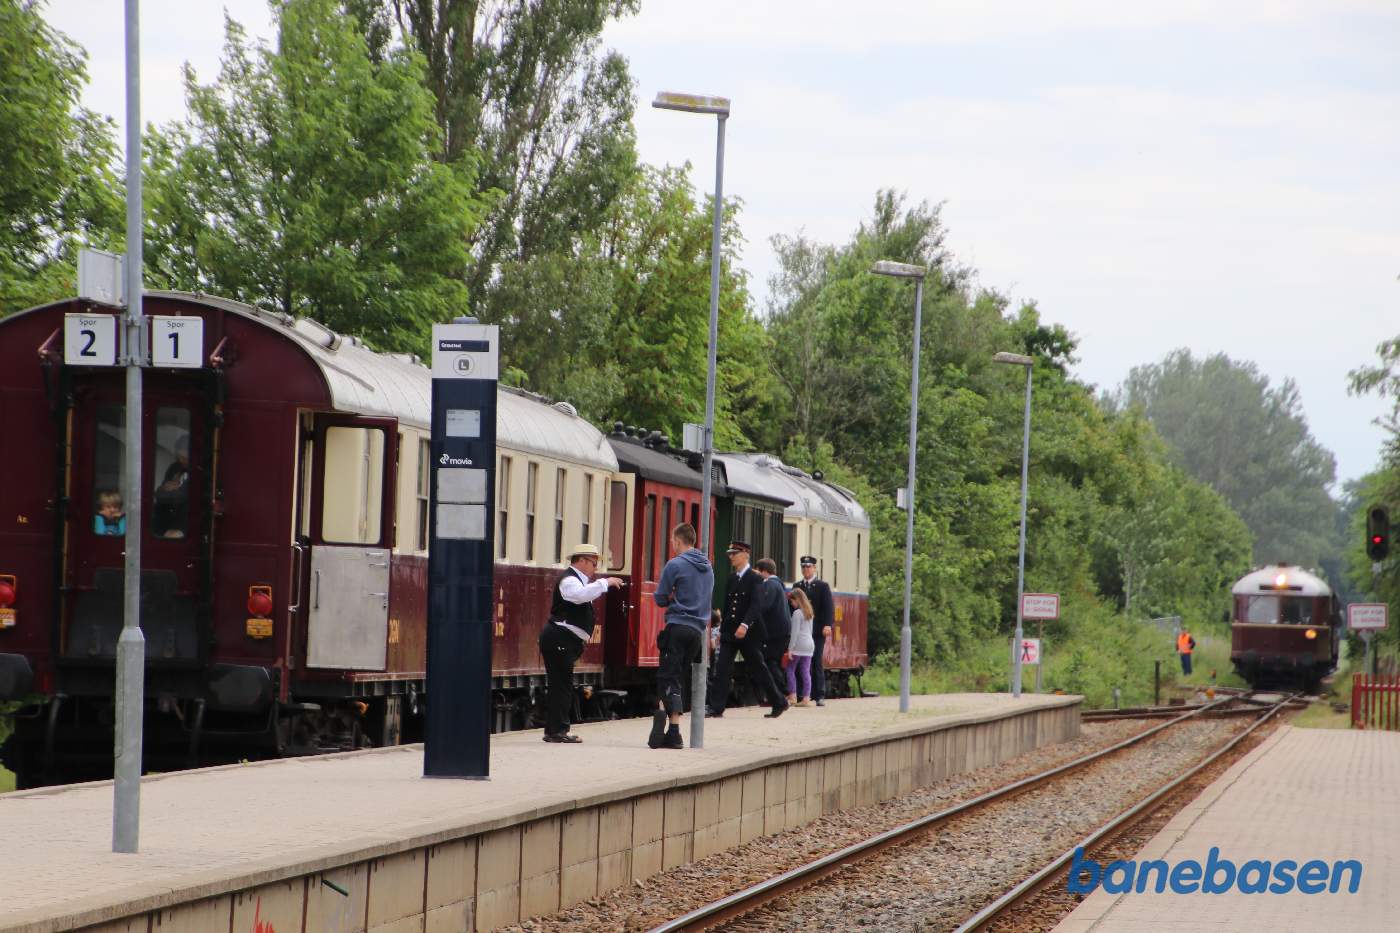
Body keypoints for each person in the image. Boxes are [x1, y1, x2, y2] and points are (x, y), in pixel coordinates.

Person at [539, 544, 623, 743]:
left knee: (561, 684)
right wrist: (605, 583)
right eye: (594, 563)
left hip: (564, 639)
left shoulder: (578, 581)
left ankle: (554, 730)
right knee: (562, 685)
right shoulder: (569, 580)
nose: (595, 568)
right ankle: (558, 731)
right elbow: (579, 596)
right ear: (582, 560)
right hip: (560, 638)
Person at [649, 522, 713, 750]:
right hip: (697, 632)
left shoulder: (675, 565)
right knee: (677, 677)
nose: (672, 545)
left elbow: (660, 597)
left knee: (668, 677)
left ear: (678, 541)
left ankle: (674, 732)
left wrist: (672, 597)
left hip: (677, 627)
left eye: (672, 541)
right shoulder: (708, 567)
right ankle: (665, 723)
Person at [706, 542, 788, 719]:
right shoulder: (732, 579)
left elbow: (756, 605)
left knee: (759, 667)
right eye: (730, 553)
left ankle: (779, 701)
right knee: (722, 668)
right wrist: (721, 630)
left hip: (749, 632)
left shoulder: (755, 578)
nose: (731, 557)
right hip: (730, 632)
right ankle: (716, 707)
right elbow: (728, 607)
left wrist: (745, 625)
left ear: (745, 554)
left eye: (734, 553)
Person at [794, 556, 835, 705]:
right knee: (800, 662)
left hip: (817, 630)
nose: (806, 569)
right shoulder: (798, 586)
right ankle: (803, 694)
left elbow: (828, 607)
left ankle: (819, 695)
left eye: (809, 567)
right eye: (803, 567)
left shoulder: (822, 586)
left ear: (814, 568)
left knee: (816, 660)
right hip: (802, 631)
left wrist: (828, 625)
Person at [754, 558, 792, 697]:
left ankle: (782, 692)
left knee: (770, 661)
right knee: (772, 661)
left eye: (758, 571)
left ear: (764, 571)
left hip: (774, 633)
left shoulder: (770, 585)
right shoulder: (778, 584)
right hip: (781, 632)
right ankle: (780, 692)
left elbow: (763, 606)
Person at [152, 435, 191, 539]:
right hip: (165, 520)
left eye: (184, 457)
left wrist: (174, 490)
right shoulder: (175, 467)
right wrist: (164, 488)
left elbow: (182, 497)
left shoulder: (197, 469)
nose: (181, 460)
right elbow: (159, 494)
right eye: (179, 456)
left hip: (185, 523)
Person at [786, 587, 816, 706]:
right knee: (805, 671)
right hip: (810, 644)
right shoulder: (809, 611)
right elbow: (810, 630)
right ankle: (806, 698)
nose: (792, 604)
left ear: (797, 600)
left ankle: (793, 696)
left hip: (799, 644)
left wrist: (790, 649)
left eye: (792, 601)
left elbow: (795, 633)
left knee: (790, 669)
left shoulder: (797, 613)